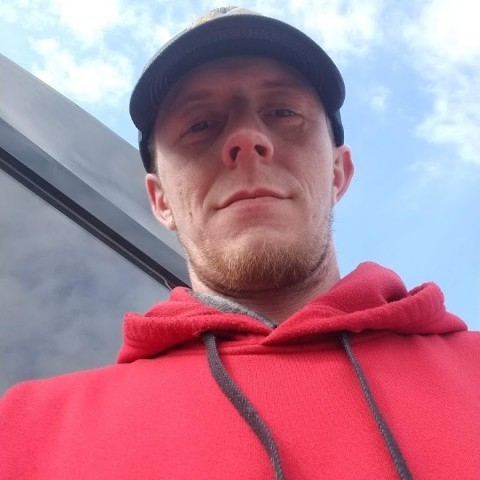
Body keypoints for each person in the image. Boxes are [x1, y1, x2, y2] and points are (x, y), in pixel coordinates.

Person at [1, 7, 479, 480]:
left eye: (283, 112)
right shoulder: (24, 435)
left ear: (338, 172)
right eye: (200, 124)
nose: (247, 138)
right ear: (161, 200)